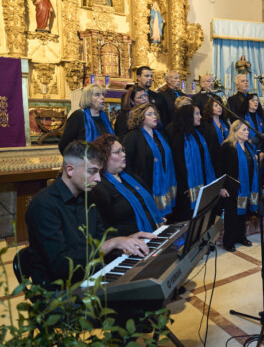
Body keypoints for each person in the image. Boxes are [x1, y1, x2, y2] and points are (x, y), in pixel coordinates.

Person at [25, 141, 155, 289]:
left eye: (99, 172)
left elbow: (100, 241)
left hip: (91, 275)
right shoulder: (44, 206)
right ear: (70, 170)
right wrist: (112, 243)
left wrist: (126, 240)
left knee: (146, 283)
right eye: (92, 171)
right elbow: (63, 267)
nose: (98, 179)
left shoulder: (87, 197)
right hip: (60, 293)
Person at [92, 134, 166, 236]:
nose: (123, 154)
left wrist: (155, 217)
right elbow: (103, 227)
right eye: (117, 152)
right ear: (103, 157)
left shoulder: (130, 177)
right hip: (128, 245)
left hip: (151, 234)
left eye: (123, 150)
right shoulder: (99, 186)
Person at [122, 103, 176, 216]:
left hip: (165, 186)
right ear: (141, 117)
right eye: (150, 114)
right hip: (144, 185)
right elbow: (127, 164)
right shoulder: (132, 137)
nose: (154, 116)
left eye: (155, 113)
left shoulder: (160, 135)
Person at [171, 104, 217, 222]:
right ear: (188, 117)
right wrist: (185, 187)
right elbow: (178, 165)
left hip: (204, 181)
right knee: (192, 218)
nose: (200, 116)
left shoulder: (198, 133)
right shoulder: (179, 138)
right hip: (188, 187)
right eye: (197, 114)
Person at [220, 121, 258, 251]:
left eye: (248, 129)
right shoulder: (228, 147)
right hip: (231, 188)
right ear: (235, 131)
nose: (247, 132)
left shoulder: (248, 146)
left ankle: (241, 237)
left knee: (242, 214)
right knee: (231, 216)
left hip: (246, 186)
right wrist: (222, 187)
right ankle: (228, 241)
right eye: (244, 129)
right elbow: (220, 168)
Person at [59, 83, 114, 154]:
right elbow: (64, 145)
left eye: (103, 94)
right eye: (97, 95)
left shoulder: (104, 116)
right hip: (84, 161)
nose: (102, 97)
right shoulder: (78, 116)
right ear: (88, 98)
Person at [200, 97, 229, 176]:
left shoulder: (224, 123)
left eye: (220, 105)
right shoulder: (205, 124)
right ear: (210, 108)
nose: (219, 107)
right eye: (216, 106)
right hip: (213, 159)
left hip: (226, 158)